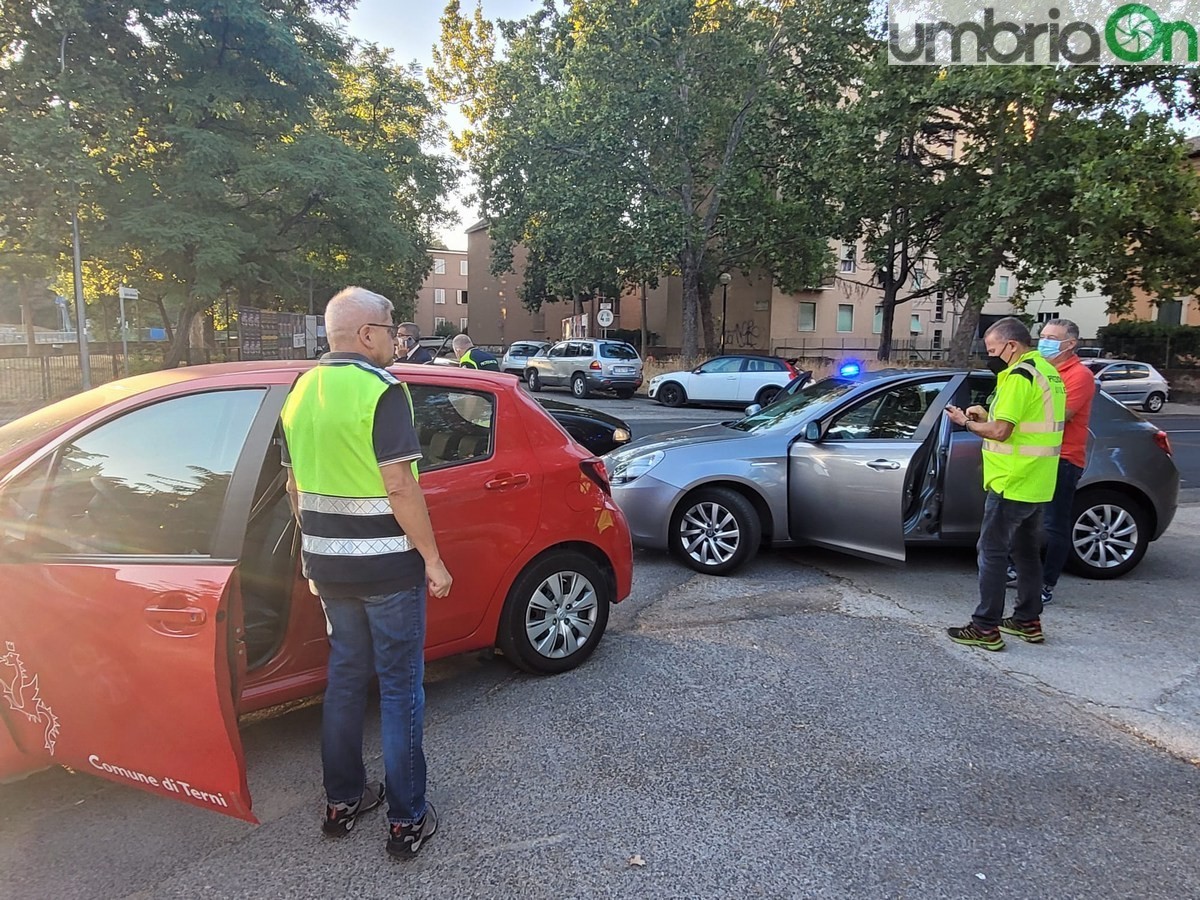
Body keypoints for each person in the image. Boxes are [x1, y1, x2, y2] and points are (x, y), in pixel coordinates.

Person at [279, 287, 452, 858]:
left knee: (346, 681)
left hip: (328, 569)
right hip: (386, 571)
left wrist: (312, 556)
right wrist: (432, 559)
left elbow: (294, 487)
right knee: (401, 689)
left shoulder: (300, 391)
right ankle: (406, 819)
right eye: (390, 326)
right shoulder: (383, 391)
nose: (397, 334)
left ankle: (343, 801)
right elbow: (399, 486)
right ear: (366, 335)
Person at [943, 317, 1065, 651]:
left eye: (993, 350)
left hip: (1011, 480)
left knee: (992, 551)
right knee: (1025, 552)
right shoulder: (1048, 373)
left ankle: (985, 627)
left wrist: (966, 421)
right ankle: (1028, 620)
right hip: (1037, 480)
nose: (991, 356)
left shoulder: (1017, 376)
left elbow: (1002, 432)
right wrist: (986, 416)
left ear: (1011, 346)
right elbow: (1025, 424)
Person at [1033, 318, 1096, 604]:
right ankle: (1021, 571)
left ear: (1070, 344)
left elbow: (1062, 415)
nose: (1043, 341)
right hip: (1039, 458)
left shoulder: (1079, 375)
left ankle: (1046, 584)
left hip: (1064, 459)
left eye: (1051, 337)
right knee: (1028, 520)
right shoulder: (1042, 369)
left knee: (1055, 524)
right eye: (1042, 335)